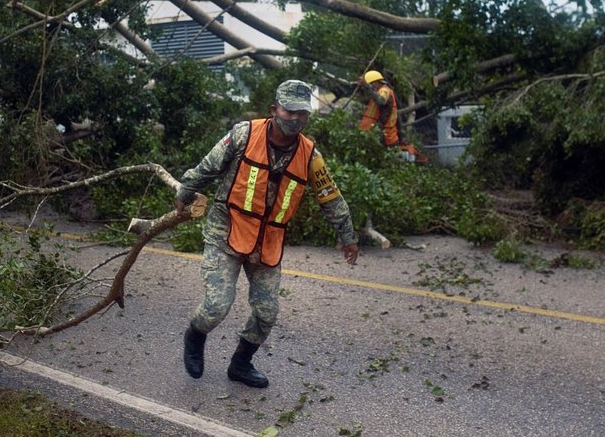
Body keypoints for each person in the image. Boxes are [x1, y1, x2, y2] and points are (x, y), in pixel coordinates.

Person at [175, 79, 359, 388]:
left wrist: (348, 235)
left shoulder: (311, 156)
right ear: (274, 110)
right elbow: (208, 167)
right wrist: (186, 190)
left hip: (267, 243)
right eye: (290, 112)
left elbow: (330, 196)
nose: (296, 119)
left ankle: (241, 364)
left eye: (303, 114)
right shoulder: (244, 134)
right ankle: (195, 335)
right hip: (227, 231)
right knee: (217, 306)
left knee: (267, 312)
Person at [356, 70, 423, 162]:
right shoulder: (378, 91)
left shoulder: (384, 91)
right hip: (384, 130)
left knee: (390, 155)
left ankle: (408, 158)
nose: (371, 87)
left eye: (371, 84)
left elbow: (381, 101)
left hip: (387, 131)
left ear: (375, 83)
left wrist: (367, 86)